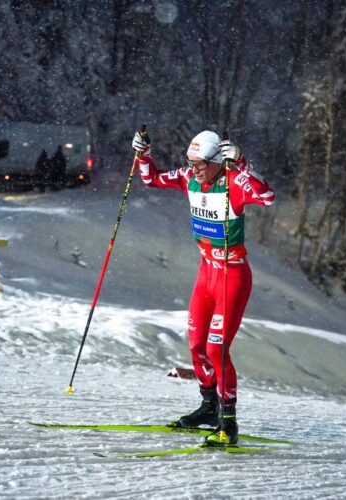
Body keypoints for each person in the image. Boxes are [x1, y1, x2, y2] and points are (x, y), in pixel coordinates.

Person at [132, 129, 274, 445]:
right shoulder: (189, 177)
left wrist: (242, 162)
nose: (193, 169)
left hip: (231, 276)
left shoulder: (234, 182)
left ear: (216, 162)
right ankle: (209, 408)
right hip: (205, 274)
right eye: (190, 162)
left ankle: (228, 424)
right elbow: (151, 179)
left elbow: (267, 196)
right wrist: (143, 155)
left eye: (199, 164)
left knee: (216, 349)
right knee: (196, 344)